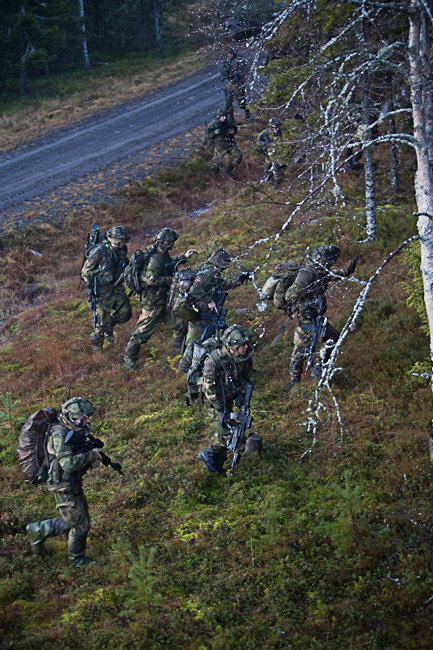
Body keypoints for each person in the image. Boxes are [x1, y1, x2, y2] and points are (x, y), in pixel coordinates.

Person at [26, 397, 102, 568]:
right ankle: (77, 560)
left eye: (86, 418)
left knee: (78, 520)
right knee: (80, 526)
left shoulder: (73, 427)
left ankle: (39, 529)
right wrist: (91, 455)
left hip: (71, 482)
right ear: (68, 416)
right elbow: (68, 464)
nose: (83, 421)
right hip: (62, 485)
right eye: (79, 418)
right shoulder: (59, 433)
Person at [283, 245, 358, 392]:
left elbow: (332, 276)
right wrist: (306, 303)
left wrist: (348, 271)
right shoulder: (307, 273)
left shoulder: (321, 272)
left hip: (316, 317)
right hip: (305, 318)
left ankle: (319, 366)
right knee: (300, 351)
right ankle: (294, 381)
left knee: (334, 338)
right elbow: (289, 295)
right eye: (331, 260)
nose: (332, 262)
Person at [123, 228, 197, 370]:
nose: (173, 244)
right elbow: (152, 280)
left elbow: (168, 263)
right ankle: (129, 360)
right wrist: (172, 279)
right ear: (164, 242)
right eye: (171, 242)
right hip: (152, 301)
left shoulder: (161, 253)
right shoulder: (156, 258)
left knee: (179, 324)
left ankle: (178, 354)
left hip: (163, 298)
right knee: (142, 332)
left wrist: (184, 256)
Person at [178, 248, 249, 373]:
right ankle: (185, 368)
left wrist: (239, 281)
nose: (227, 266)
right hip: (200, 314)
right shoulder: (207, 272)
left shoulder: (211, 271)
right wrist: (209, 301)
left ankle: (205, 362)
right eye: (226, 263)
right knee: (194, 342)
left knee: (204, 339)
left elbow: (222, 284)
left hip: (206, 314)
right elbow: (194, 290)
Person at [198, 325, 253, 475]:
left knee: (230, 429)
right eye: (242, 345)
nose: (246, 347)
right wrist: (221, 410)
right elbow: (209, 390)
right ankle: (208, 454)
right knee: (226, 432)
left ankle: (218, 463)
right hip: (212, 401)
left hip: (227, 395)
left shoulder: (242, 358)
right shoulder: (213, 362)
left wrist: (240, 395)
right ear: (233, 347)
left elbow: (244, 377)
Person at [81, 226, 132, 352]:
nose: (122, 243)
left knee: (125, 313)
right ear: (112, 239)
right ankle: (97, 345)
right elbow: (85, 271)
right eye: (120, 241)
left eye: (123, 241)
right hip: (101, 291)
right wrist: (91, 286)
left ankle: (109, 326)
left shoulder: (122, 250)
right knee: (101, 323)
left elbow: (126, 264)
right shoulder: (99, 251)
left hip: (116, 287)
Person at [205, 108, 242, 175]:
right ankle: (215, 176)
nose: (224, 118)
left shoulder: (228, 122)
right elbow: (207, 136)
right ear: (218, 116)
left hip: (230, 144)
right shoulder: (213, 125)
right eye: (223, 116)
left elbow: (233, 130)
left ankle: (229, 170)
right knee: (216, 164)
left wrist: (233, 130)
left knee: (238, 155)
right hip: (220, 146)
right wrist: (214, 133)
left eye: (225, 116)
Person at [221, 48, 250, 120]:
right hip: (229, 84)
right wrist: (227, 76)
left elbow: (245, 72)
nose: (230, 55)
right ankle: (231, 119)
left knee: (241, 103)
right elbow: (223, 71)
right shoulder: (226, 62)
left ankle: (247, 114)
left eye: (231, 53)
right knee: (228, 103)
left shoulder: (240, 61)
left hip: (238, 84)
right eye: (229, 53)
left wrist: (241, 79)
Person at [257, 118, 286, 186]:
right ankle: (268, 182)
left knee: (277, 170)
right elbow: (258, 142)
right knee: (267, 169)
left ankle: (277, 184)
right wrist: (265, 145)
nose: (277, 129)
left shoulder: (282, 133)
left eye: (278, 128)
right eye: (275, 128)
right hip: (269, 153)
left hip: (279, 154)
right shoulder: (265, 133)